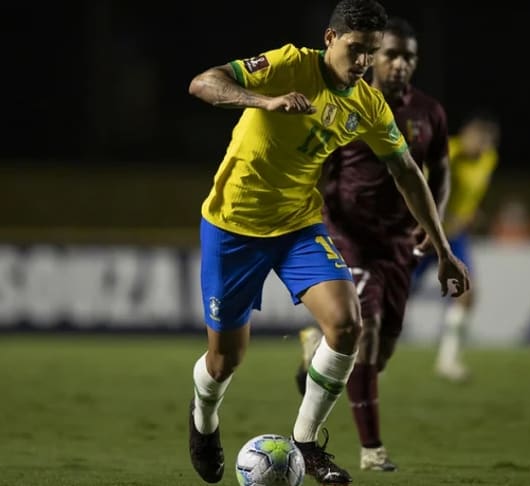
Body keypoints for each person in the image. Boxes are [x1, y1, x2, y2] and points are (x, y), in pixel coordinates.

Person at [185, 1, 470, 484]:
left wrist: (443, 249)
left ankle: (306, 443)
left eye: (371, 53)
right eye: (356, 49)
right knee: (224, 359)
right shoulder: (289, 64)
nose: (363, 62)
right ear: (331, 39)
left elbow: (408, 173)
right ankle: (203, 420)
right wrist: (265, 101)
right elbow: (202, 82)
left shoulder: (368, 104)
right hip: (233, 226)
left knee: (346, 326)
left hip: (298, 226)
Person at [293, 16, 450, 472]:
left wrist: (433, 221)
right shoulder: (349, 103)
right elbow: (320, 163)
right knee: (367, 332)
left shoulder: (430, 113)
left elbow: (437, 173)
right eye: (392, 54)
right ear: (375, 57)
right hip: (349, 235)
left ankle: (316, 350)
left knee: (380, 355)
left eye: (409, 57)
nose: (400, 64)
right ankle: (372, 449)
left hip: (399, 242)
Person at [410, 109, 501, 382]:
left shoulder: (489, 160)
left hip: (454, 238)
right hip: (425, 234)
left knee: (466, 292)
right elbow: (418, 184)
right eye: (478, 139)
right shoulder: (448, 151)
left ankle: (447, 360)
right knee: (392, 294)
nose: (482, 145)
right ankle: (337, 342)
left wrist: (469, 213)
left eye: (488, 141)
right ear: (467, 135)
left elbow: (471, 194)